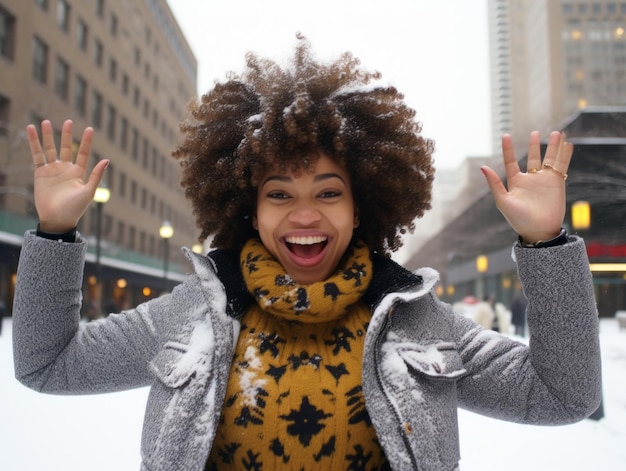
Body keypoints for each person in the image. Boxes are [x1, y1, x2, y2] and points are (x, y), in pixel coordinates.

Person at [12, 37, 601, 471]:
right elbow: (47, 364)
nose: (303, 215)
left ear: (362, 206)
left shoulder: (418, 323)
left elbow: (563, 395)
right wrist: (55, 234)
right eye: (279, 194)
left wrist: (546, 244)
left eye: (328, 192)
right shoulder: (190, 313)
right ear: (248, 208)